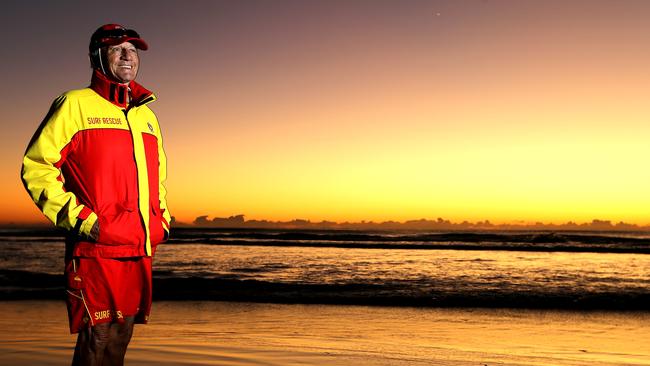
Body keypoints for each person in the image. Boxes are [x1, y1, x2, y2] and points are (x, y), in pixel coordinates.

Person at [21, 24, 171, 365]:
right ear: (97, 57)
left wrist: (161, 219)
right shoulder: (74, 104)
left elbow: (157, 176)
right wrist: (85, 221)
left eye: (132, 50)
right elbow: (36, 167)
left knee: (122, 336)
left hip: (139, 246)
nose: (127, 55)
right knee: (97, 335)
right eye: (117, 48)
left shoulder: (147, 115)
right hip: (95, 248)